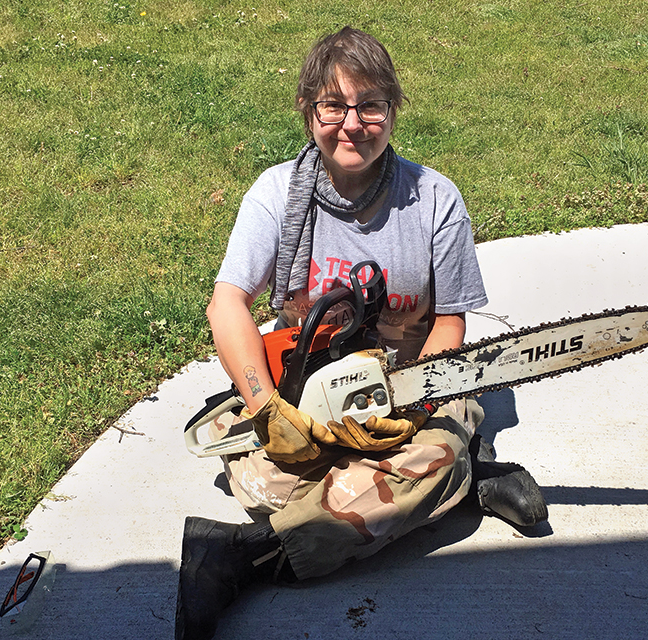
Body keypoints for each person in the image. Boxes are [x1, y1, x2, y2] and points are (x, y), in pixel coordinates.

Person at [176, 26, 547, 640]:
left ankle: (240, 556)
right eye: (334, 104)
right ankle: (453, 485)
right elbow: (228, 304)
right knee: (262, 480)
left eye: (370, 104)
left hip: (404, 395)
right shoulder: (276, 195)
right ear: (308, 110)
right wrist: (267, 409)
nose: (353, 123)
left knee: (430, 449)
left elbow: (450, 319)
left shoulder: (433, 199)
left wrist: (421, 396)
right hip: (306, 392)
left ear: (392, 110)